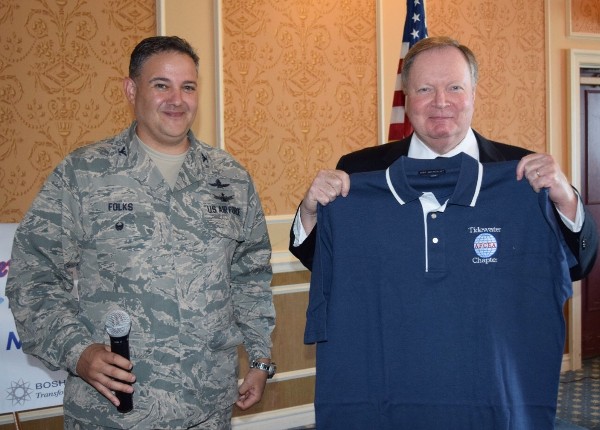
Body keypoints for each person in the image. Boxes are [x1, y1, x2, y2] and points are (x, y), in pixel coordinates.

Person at [6, 36, 276, 430]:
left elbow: (250, 276)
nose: (177, 99)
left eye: (188, 87)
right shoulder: (83, 173)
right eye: (161, 85)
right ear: (131, 90)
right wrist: (78, 352)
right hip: (114, 412)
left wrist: (259, 360)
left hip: (206, 408)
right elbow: (34, 279)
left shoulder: (229, 178)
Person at [289, 36, 598, 280]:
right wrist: (310, 213)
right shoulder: (358, 172)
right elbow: (329, 265)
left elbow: (575, 268)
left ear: (473, 94)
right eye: (425, 89)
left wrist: (567, 202)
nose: (441, 101)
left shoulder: (523, 172)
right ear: (406, 98)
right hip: (396, 351)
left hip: (490, 354)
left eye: (454, 87)